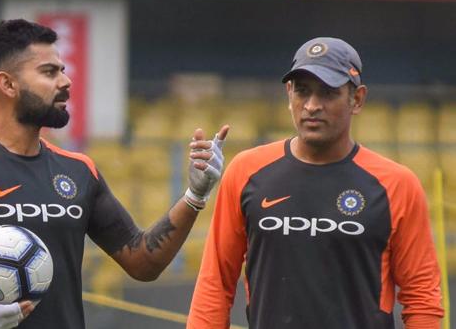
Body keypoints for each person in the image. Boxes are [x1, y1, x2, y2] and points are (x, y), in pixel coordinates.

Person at [0, 18, 229, 329]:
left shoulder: (79, 171)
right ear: (7, 84)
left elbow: (142, 262)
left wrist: (195, 195)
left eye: (63, 70)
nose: (66, 81)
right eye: (50, 72)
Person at [187, 37, 444, 329]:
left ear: (356, 99)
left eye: (328, 93)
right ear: (288, 94)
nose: (311, 105)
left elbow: (422, 298)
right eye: (302, 91)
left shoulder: (397, 185)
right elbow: (215, 283)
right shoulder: (246, 171)